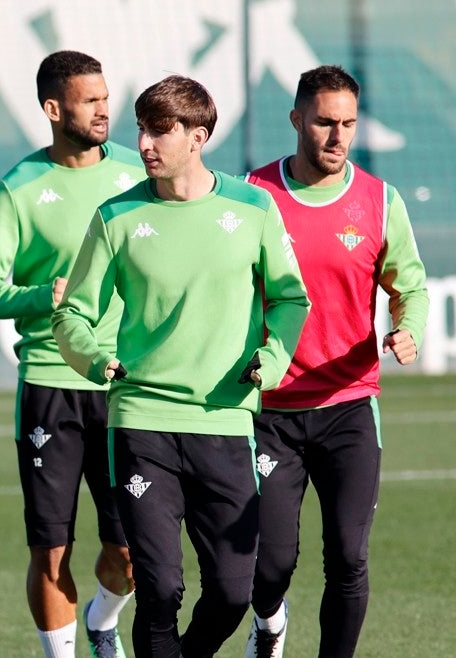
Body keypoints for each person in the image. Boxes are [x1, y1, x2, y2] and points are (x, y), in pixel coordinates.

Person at [52, 75, 310, 658]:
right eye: (141, 128)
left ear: (198, 136)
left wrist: (272, 359)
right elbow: (73, 314)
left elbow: (291, 298)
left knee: (231, 591)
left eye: (160, 130)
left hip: (225, 422)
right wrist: (93, 358)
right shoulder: (115, 216)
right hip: (141, 420)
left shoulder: (252, 207)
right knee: (161, 588)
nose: (144, 142)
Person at [240, 65, 429, 658]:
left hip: (348, 408)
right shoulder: (251, 195)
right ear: (297, 120)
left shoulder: (378, 200)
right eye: (324, 121)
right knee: (270, 565)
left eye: (348, 123)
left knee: (349, 557)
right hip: (269, 412)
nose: (337, 136)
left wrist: (409, 328)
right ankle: (268, 625)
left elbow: (412, 287)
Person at [0, 50, 143, 658]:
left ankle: (103, 620)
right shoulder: (19, 187)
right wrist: (46, 295)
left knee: (130, 551)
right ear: (52, 108)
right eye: (89, 99)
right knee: (51, 548)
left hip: (127, 382)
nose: (104, 109)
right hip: (49, 381)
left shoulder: (136, 173)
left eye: (105, 96)